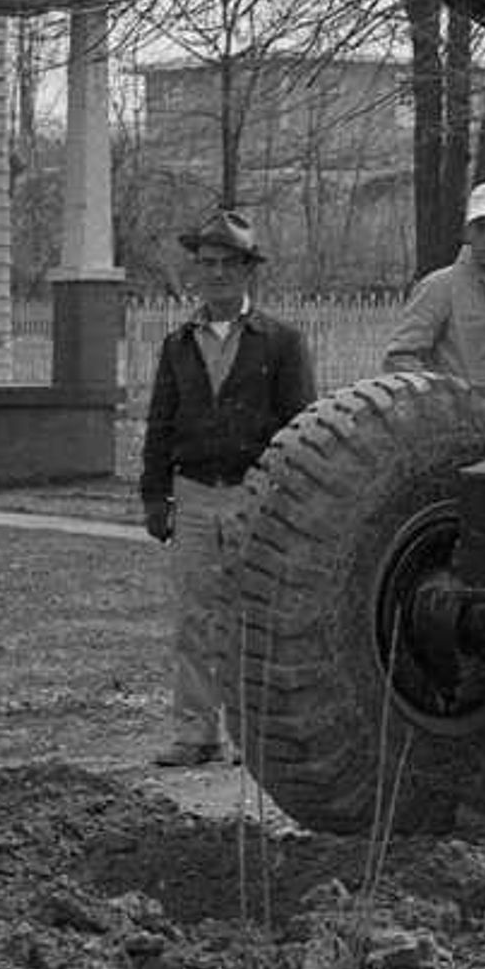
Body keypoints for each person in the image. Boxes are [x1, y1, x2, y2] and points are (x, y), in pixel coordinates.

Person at [135, 207, 315, 767]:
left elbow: (302, 427)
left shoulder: (280, 343)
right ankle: (195, 732)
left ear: (247, 272)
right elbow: (160, 422)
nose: (216, 275)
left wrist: (291, 504)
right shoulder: (178, 345)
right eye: (206, 264)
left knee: (248, 615)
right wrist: (153, 495)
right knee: (194, 616)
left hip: (254, 496)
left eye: (228, 265)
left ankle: (248, 737)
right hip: (191, 494)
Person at [379, 180, 485, 418]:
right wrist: (446, 405)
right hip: (461, 431)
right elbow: (400, 359)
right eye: (480, 228)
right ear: (467, 233)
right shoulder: (439, 287)